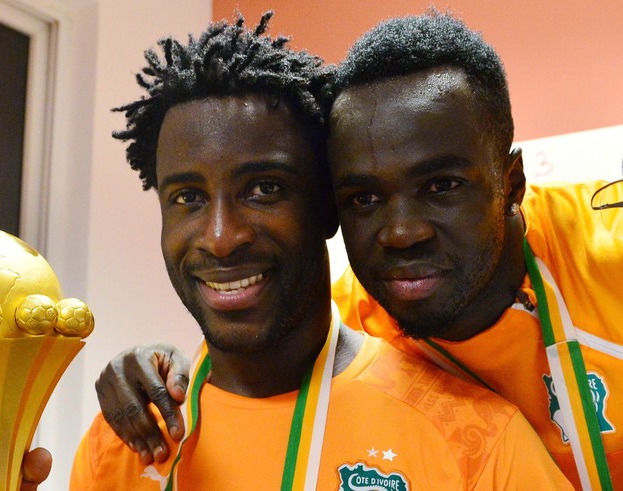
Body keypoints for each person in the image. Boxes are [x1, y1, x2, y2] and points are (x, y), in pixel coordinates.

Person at [94, 11, 623, 490]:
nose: (401, 233)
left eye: (440, 186)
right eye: (364, 197)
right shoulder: (357, 318)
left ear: (510, 183)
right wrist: (151, 369)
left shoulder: (608, 250)